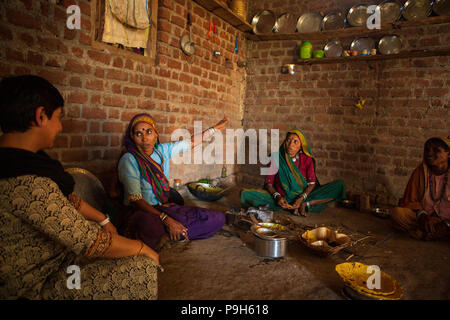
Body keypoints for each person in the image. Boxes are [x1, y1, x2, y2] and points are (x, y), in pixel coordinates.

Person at [0, 75, 160, 300]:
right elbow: (90, 241)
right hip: (37, 284)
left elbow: (67, 201)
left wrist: (104, 221)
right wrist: (143, 249)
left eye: (149, 131)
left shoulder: (22, 164)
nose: (60, 127)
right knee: (141, 266)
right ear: (41, 116)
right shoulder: (27, 180)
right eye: (58, 118)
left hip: (58, 259)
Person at [115, 113, 227, 251]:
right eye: (138, 134)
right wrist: (166, 219)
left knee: (218, 218)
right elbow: (136, 200)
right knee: (149, 225)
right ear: (133, 138)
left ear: (156, 134)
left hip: (163, 207)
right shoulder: (129, 159)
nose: (144, 138)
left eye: (148, 132)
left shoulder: (162, 151)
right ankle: (172, 231)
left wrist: (214, 129)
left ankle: (170, 234)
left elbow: (190, 142)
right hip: (142, 210)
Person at [240, 129, 346, 216]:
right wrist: (277, 197)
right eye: (288, 140)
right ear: (284, 142)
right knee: (245, 194)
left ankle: (305, 204)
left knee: (339, 185)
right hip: (282, 197)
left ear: (301, 146)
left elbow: (312, 184)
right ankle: (295, 206)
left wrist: (302, 198)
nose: (291, 144)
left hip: (304, 196)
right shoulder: (276, 157)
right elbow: (269, 184)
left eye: (295, 141)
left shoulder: (307, 159)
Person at [390, 137, 450, 240]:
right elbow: (410, 201)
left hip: (447, 222)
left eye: (436, 150)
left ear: (448, 154)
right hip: (425, 220)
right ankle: (431, 232)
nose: (429, 154)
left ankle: (430, 233)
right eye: (427, 150)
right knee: (397, 214)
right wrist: (422, 216)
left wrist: (447, 225)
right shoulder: (421, 172)